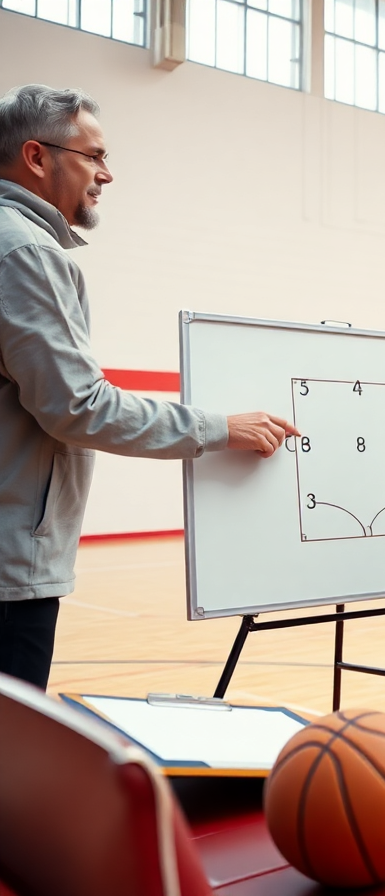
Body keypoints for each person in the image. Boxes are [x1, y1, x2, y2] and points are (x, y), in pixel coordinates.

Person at [0, 84, 297, 691]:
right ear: (36, 157)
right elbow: (79, 406)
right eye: (93, 155)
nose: (106, 174)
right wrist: (220, 428)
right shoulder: (25, 251)